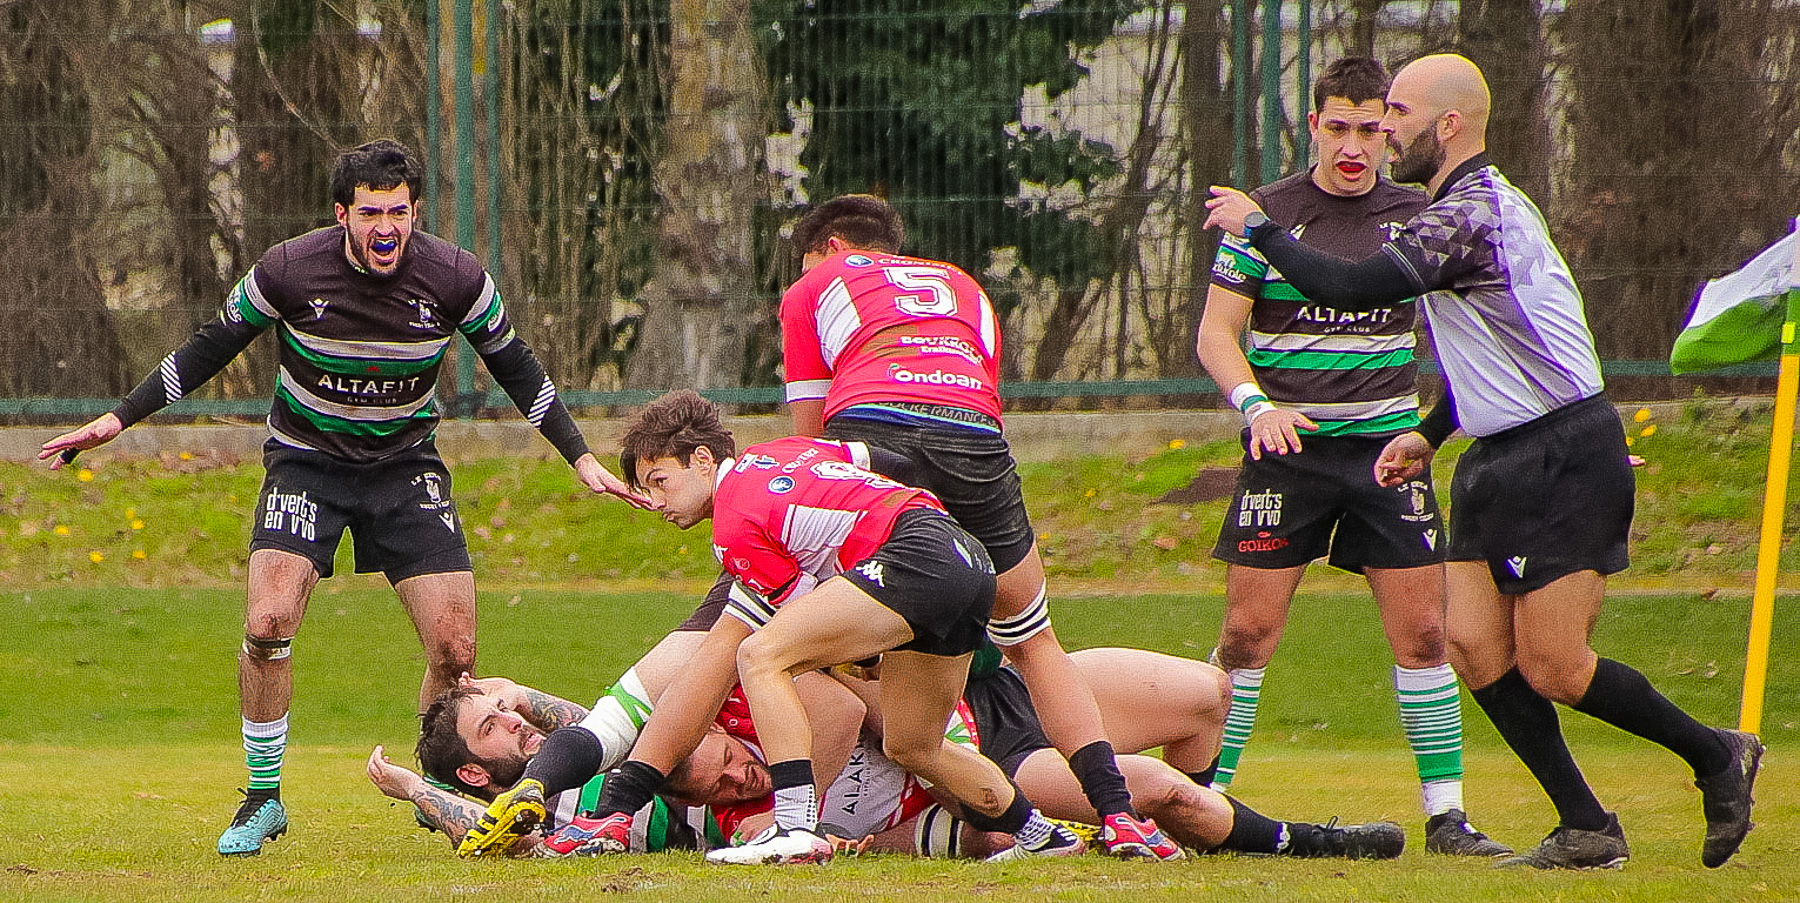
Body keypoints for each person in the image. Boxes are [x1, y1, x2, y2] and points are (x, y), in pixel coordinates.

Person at [1203, 53, 1763, 870]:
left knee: (1556, 664)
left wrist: (1260, 229)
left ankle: (1716, 753)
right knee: (1471, 644)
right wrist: (1432, 432)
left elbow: (1354, 287)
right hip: (1495, 453)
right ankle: (1586, 823)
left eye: (1396, 114)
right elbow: (1492, 357)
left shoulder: (1470, 213)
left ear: (1448, 125)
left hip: (1563, 450)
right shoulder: (1451, 210)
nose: (1385, 132)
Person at [38, 138, 648, 857]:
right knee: (268, 618)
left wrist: (580, 456)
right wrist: (118, 418)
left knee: (457, 650)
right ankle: (263, 797)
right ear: (342, 214)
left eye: (399, 211)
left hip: (404, 467)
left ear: (415, 211)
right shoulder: (291, 269)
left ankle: (437, 793)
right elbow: (210, 344)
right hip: (307, 464)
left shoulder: (456, 278)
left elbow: (516, 364)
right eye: (370, 213)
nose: (385, 227)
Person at [457, 390, 1087, 865]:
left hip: (913, 559)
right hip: (966, 557)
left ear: (703, 460)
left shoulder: (733, 524)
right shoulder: (785, 454)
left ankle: (793, 825)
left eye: (659, 481)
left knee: (762, 657)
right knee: (913, 746)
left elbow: (793, 629)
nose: (655, 501)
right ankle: (1041, 835)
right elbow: (886, 457)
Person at [777, 193, 1179, 860]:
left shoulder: (817, 286)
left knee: (789, 625)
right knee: (1034, 638)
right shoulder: (962, 285)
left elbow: (811, 445)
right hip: (973, 437)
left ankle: (788, 812)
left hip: (874, 426)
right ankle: (1120, 815)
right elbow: (983, 402)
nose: (802, 274)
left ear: (834, 249)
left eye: (804, 261)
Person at [1194, 57, 1504, 857]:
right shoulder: (1269, 212)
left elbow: (1482, 333)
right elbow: (1216, 334)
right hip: (1286, 456)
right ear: (1314, 127)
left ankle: (1447, 816)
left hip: (1385, 455)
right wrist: (1257, 406)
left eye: (1372, 128)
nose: (1356, 145)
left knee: (1427, 633)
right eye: (1339, 127)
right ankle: (1202, 799)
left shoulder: (1418, 212)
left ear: (1390, 130)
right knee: (1246, 635)